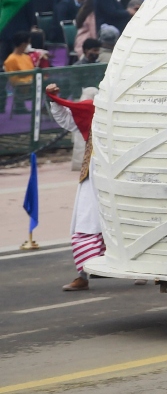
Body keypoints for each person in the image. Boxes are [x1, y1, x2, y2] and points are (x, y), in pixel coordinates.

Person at [43, 84, 120, 291]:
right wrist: (53, 98)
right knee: (86, 224)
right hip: (92, 177)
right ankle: (83, 274)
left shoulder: (126, 113)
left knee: (126, 223)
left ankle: (144, 273)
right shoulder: (92, 110)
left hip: (121, 179)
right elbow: (67, 118)